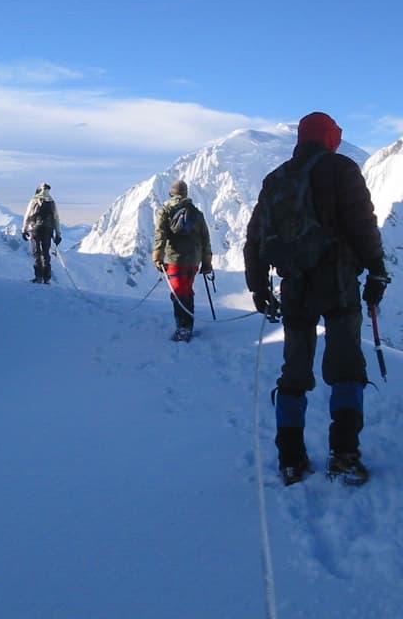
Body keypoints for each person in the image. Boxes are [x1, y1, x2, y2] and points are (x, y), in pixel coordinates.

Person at [243, 112, 390, 486]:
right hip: (337, 281)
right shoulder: (341, 170)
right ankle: (344, 455)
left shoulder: (276, 178)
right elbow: (362, 224)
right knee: (346, 368)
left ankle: (290, 459)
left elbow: (255, 237)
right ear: (330, 137)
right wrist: (376, 271)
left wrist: (258, 286)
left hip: (294, 285)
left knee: (294, 370)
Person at [152, 180, 213, 341]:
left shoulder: (165, 211)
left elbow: (160, 236)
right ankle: (187, 327)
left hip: (175, 260)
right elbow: (206, 239)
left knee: (178, 293)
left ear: (171, 194)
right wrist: (207, 262)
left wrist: (158, 257)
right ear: (186, 194)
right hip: (194, 260)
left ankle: (183, 329)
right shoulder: (196, 213)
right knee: (186, 291)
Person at [22, 183, 62, 284]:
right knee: (46, 253)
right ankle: (47, 279)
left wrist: (24, 230)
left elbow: (27, 216)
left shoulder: (34, 200)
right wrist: (58, 234)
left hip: (35, 229)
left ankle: (38, 277)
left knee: (37, 253)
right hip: (48, 229)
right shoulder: (51, 201)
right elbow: (56, 218)